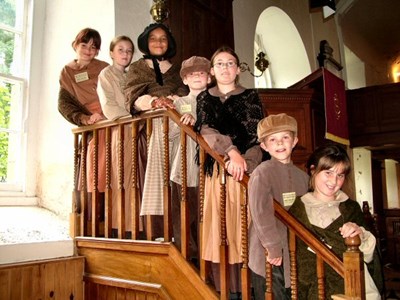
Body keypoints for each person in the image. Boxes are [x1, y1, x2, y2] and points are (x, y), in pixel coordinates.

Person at [194, 46, 264, 298]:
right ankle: (227, 289)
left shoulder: (250, 96)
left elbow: (257, 133)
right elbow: (206, 129)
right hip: (218, 169)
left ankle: (249, 286)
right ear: (212, 71)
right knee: (221, 229)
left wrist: (245, 163)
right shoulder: (205, 98)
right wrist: (231, 152)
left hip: (245, 170)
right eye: (220, 64)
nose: (226, 67)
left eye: (230, 63)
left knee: (243, 229)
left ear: (237, 69)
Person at [288, 144, 383, 299]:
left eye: (340, 175)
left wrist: (360, 234)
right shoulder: (298, 210)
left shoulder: (351, 207)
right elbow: (298, 257)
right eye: (328, 173)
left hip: (351, 285)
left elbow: (369, 258)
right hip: (314, 287)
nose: (334, 181)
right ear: (313, 170)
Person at [124, 23, 187, 239]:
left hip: (177, 120)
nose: (158, 42)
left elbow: (184, 92)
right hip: (151, 126)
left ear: (168, 43)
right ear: (146, 42)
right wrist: (153, 102)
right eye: (153, 38)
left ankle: (182, 225)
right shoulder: (137, 68)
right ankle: (159, 226)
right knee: (161, 135)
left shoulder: (178, 70)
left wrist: (173, 100)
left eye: (163, 38)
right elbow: (131, 95)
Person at [248, 113, 309, 300]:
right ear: (264, 146)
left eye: (285, 138)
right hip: (268, 252)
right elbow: (260, 213)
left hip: (292, 251)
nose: (280, 143)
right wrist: (272, 246)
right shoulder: (262, 172)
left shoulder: (303, 176)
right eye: (273, 139)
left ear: (295, 141)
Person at [58, 28, 109, 223]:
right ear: (75, 45)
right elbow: (64, 103)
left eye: (93, 47)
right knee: (94, 160)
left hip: (110, 115)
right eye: (84, 45)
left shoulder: (104, 67)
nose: (88, 50)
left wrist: (107, 113)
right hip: (92, 121)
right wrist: (84, 118)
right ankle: (94, 216)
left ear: (97, 51)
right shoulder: (67, 72)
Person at [97, 35, 142, 237]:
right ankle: (118, 226)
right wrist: (132, 118)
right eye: (121, 50)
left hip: (137, 129)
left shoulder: (132, 74)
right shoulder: (106, 74)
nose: (125, 54)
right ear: (111, 53)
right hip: (121, 129)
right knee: (120, 177)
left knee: (136, 178)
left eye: (129, 51)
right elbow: (108, 106)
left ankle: (136, 226)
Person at [169, 56, 211, 262]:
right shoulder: (179, 102)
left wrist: (199, 122)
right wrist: (182, 124)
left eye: (201, 73)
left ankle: (206, 257)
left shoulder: (216, 101)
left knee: (206, 215)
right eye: (191, 74)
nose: (196, 76)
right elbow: (169, 134)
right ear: (184, 80)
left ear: (209, 78)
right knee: (185, 215)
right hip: (184, 169)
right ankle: (187, 257)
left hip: (209, 170)